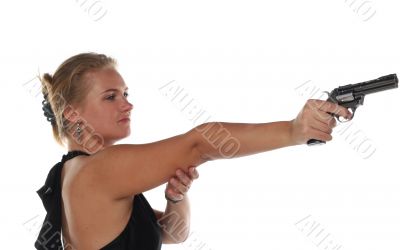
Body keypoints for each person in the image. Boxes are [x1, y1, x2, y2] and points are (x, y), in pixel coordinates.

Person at [35, 52, 352, 250]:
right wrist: (293, 130)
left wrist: (176, 197)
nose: (127, 104)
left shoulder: (79, 174)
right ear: (72, 112)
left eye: (126, 93)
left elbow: (173, 235)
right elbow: (200, 144)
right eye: (110, 97)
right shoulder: (97, 170)